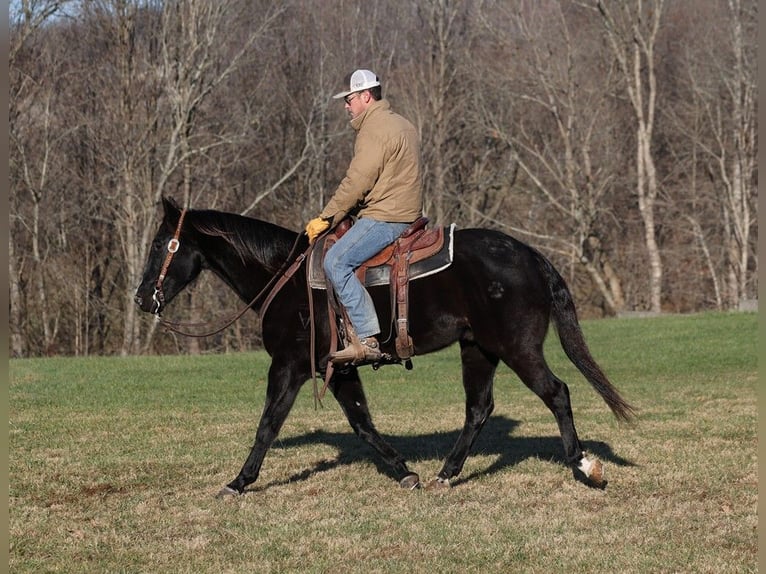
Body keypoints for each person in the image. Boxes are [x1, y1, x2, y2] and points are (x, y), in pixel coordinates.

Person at [305, 69, 423, 365]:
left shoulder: (374, 130)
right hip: (406, 212)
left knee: (335, 261)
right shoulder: (403, 124)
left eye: (350, 98)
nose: (346, 105)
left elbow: (357, 182)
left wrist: (326, 217)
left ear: (366, 97)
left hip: (386, 218)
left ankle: (368, 337)